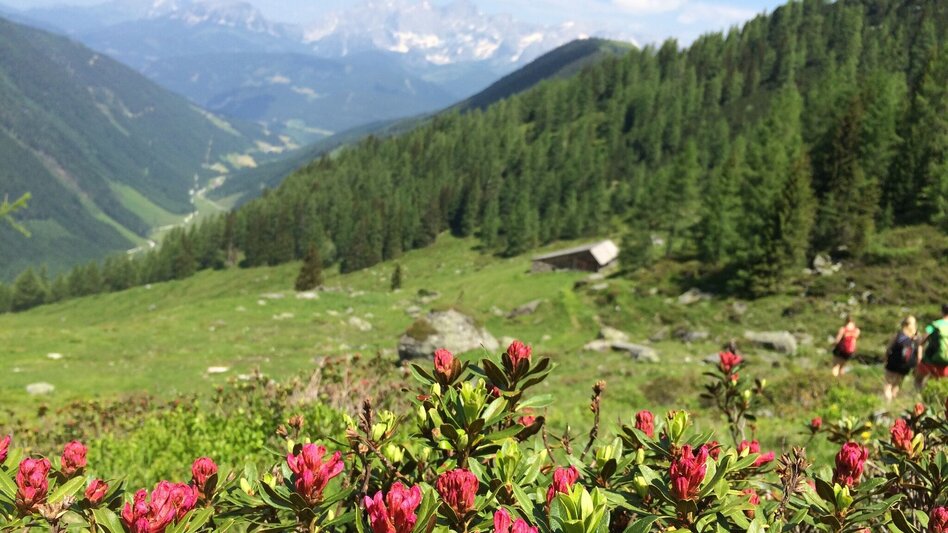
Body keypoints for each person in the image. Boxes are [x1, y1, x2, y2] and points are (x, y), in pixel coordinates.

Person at [883, 316, 918, 402]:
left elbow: (889, 348)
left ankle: (888, 401)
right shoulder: (915, 336)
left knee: (888, 383)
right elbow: (918, 351)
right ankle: (894, 400)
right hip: (906, 364)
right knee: (897, 384)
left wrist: (885, 357)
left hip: (893, 361)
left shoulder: (900, 334)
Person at [915, 304, 948, 390]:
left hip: (930, 360)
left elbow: (922, 342)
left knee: (918, 380)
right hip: (946, 363)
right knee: (941, 385)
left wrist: (919, 358)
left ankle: (920, 399)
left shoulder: (935, 325)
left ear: (942, 312)